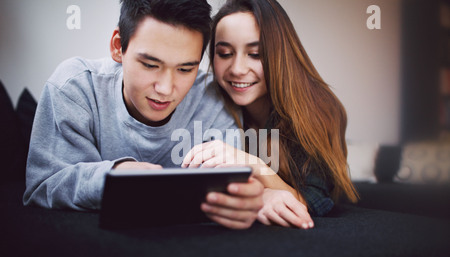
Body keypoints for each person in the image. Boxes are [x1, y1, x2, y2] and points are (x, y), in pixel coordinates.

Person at [23, 0, 264, 230]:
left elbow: (228, 185)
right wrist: (114, 176)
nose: (166, 89)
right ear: (118, 47)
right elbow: (43, 185)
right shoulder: (74, 86)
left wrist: (241, 200)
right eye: (150, 65)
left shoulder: (214, 98)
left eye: (185, 69)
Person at [182, 0, 359, 229]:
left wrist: (252, 164)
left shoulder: (318, 109)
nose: (237, 68)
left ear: (280, 55)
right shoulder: (208, 100)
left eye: (255, 54)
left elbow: (315, 202)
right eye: (224, 53)